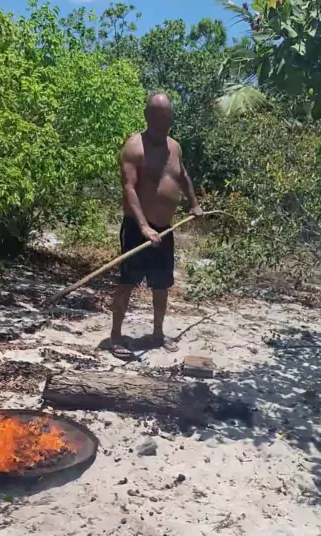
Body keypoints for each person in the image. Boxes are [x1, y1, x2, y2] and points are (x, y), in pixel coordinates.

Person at [109, 93, 203, 359]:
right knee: (127, 282)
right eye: (161, 116)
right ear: (148, 117)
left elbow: (182, 175)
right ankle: (115, 336)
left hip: (165, 228)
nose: (166, 121)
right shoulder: (133, 147)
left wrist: (194, 203)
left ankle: (158, 334)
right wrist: (143, 227)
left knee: (161, 285)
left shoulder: (174, 146)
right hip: (137, 228)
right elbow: (129, 188)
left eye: (169, 116)